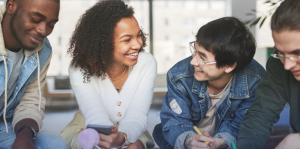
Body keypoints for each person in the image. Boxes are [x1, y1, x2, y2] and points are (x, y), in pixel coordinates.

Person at [152, 17, 266, 149]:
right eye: (195, 51)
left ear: (229, 66)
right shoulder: (179, 76)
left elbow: (244, 126)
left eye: (202, 57)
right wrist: (190, 141)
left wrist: (219, 142)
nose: (193, 62)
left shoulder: (255, 80)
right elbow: (175, 122)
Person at [59, 0, 157, 149]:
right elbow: (94, 114)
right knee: (88, 142)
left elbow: (137, 115)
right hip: (87, 126)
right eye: (127, 39)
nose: (138, 44)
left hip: (132, 128)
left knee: (136, 146)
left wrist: (123, 137)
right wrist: (106, 140)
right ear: (102, 43)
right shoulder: (79, 68)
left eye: (138, 35)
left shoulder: (146, 63)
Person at [0, 0, 68, 149]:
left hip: (4, 126)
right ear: (11, 5)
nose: (43, 31)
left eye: (51, 24)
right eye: (35, 19)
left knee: (55, 145)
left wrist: (25, 136)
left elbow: (31, 99)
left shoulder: (43, 50)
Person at [237, 0, 300, 148]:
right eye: (281, 53)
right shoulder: (277, 63)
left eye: (297, 53)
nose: (287, 65)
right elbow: (261, 114)